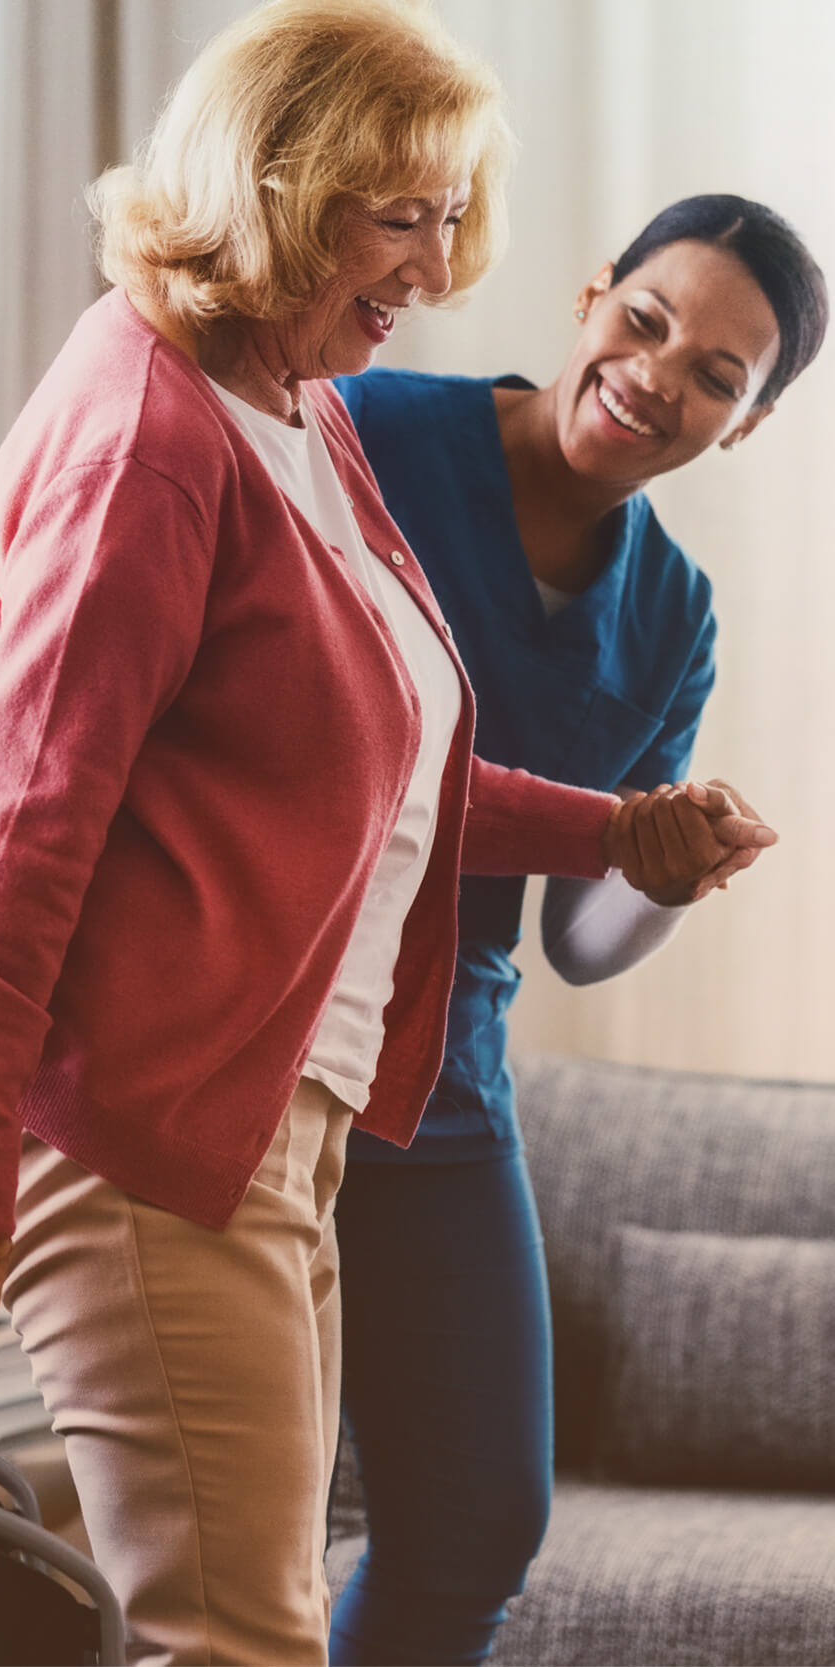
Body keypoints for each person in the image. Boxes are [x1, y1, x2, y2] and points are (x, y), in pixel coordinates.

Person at [0, 1, 774, 1654]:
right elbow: (10, 843)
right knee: (236, 1639)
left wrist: (630, 839)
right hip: (169, 1130)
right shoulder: (157, 430)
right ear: (283, 181)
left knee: (254, 1618)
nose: (434, 272)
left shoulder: (294, 415)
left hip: (301, 1111)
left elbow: (394, 786)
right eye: (399, 217)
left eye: (447, 220)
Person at [329, 193, 828, 1667]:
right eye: (649, 320)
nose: (660, 376)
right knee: (231, 1521)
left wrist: (661, 874)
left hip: (444, 1086)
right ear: (591, 295)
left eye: (721, 376)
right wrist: (611, 827)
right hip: (260, 1023)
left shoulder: (673, 614)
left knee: (479, 1528)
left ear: (744, 425)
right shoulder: (360, 431)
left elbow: (578, 944)